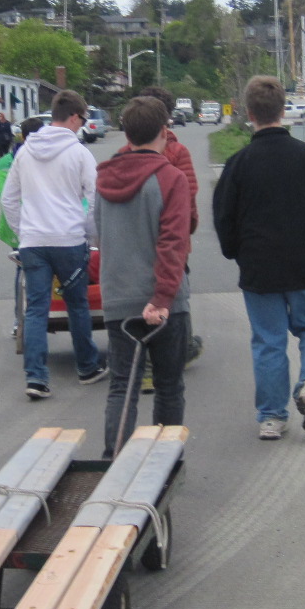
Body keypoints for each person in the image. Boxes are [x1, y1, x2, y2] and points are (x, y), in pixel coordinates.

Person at [212, 75, 305, 440]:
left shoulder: (238, 164)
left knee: (268, 340)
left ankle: (271, 416)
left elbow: (224, 217)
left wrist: (236, 251)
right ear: (283, 110)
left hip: (259, 266)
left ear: (249, 113)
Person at [93, 96, 192, 455]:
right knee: (168, 385)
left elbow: (99, 234)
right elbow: (174, 242)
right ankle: (162, 462)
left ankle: (114, 459)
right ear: (165, 131)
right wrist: (163, 297)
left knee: (122, 385)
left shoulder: (103, 179)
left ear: (126, 134)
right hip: (164, 302)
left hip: (118, 296)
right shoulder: (171, 178)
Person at [0, 89, 107, 400]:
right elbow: (94, 199)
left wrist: (23, 231)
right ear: (73, 117)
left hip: (33, 241)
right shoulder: (80, 154)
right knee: (77, 305)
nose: (82, 125)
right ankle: (87, 367)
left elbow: (9, 199)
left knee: (36, 308)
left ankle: (36, 378)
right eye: (83, 119)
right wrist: (90, 235)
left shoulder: (25, 152)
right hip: (69, 239)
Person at [117, 86, 203, 368]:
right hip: (174, 236)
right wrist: (188, 228)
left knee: (138, 295)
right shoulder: (178, 151)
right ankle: (181, 348)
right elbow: (189, 195)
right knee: (176, 292)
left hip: (134, 241)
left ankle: (141, 357)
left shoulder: (122, 154)